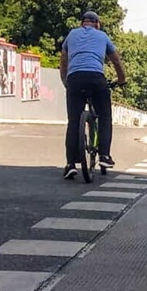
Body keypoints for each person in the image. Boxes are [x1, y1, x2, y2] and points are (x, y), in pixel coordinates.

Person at [59, 10, 126, 179]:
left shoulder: (72, 34)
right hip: (96, 78)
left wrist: (65, 81)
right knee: (104, 115)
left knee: (73, 121)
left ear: (82, 23)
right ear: (97, 24)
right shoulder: (102, 36)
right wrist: (121, 80)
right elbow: (116, 60)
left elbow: (63, 59)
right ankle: (104, 155)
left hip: (75, 78)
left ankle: (70, 164)